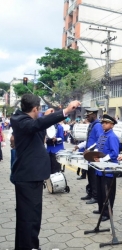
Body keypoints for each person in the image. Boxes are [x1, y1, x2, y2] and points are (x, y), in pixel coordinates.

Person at [11, 94, 80, 250]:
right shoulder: (22, 122)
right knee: (30, 218)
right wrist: (66, 110)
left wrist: (45, 116)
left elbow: (38, 126)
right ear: (35, 108)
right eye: (39, 109)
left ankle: (27, 246)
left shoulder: (23, 119)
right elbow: (36, 125)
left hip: (30, 176)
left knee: (29, 217)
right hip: (28, 177)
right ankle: (28, 247)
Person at [92, 114, 120, 222]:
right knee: (100, 191)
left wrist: (102, 160)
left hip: (108, 169)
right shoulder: (102, 135)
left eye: (106, 123)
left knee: (107, 193)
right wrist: (94, 154)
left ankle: (107, 213)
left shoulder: (112, 136)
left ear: (112, 125)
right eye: (103, 123)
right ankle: (101, 209)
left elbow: (114, 153)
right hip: (100, 169)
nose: (103, 125)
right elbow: (98, 148)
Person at [74, 108, 103, 204]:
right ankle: (90, 193)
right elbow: (89, 140)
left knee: (93, 176)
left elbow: (99, 140)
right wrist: (79, 146)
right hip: (89, 155)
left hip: (93, 155)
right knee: (90, 175)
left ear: (94, 115)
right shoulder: (92, 125)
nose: (87, 117)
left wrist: (90, 150)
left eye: (88, 116)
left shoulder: (98, 126)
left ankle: (95, 196)